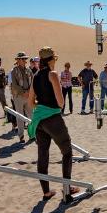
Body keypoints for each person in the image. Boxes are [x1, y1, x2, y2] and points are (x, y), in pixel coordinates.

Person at [27, 47, 79, 200]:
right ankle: (67, 188)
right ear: (50, 60)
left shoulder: (35, 76)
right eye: (55, 59)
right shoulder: (53, 74)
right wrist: (51, 105)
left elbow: (30, 102)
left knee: (43, 155)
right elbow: (61, 103)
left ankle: (46, 192)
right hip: (53, 119)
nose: (56, 61)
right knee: (67, 152)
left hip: (39, 121)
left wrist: (41, 106)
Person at [11, 51, 34, 143]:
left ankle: (32, 134)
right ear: (18, 60)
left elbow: (33, 82)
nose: (25, 60)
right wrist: (23, 92)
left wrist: (30, 92)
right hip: (19, 96)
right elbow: (14, 85)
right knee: (20, 117)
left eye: (25, 59)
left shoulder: (29, 70)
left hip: (28, 96)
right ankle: (21, 136)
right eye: (23, 59)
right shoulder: (14, 71)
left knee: (31, 116)